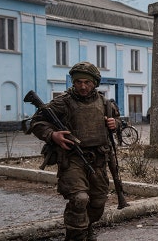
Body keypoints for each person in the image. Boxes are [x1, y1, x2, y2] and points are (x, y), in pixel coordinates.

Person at [29, 62, 119, 241]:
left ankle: (87, 227)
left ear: (95, 83)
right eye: (78, 82)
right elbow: (36, 123)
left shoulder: (105, 103)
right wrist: (53, 135)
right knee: (79, 199)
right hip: (72, 159)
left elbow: (117, 120)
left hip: (99, 159)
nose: (83, 86)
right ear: (73, 82)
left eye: (87, 82)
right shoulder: (62, 102)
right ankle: (75, 236)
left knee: (98, 202)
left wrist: (115, 124)